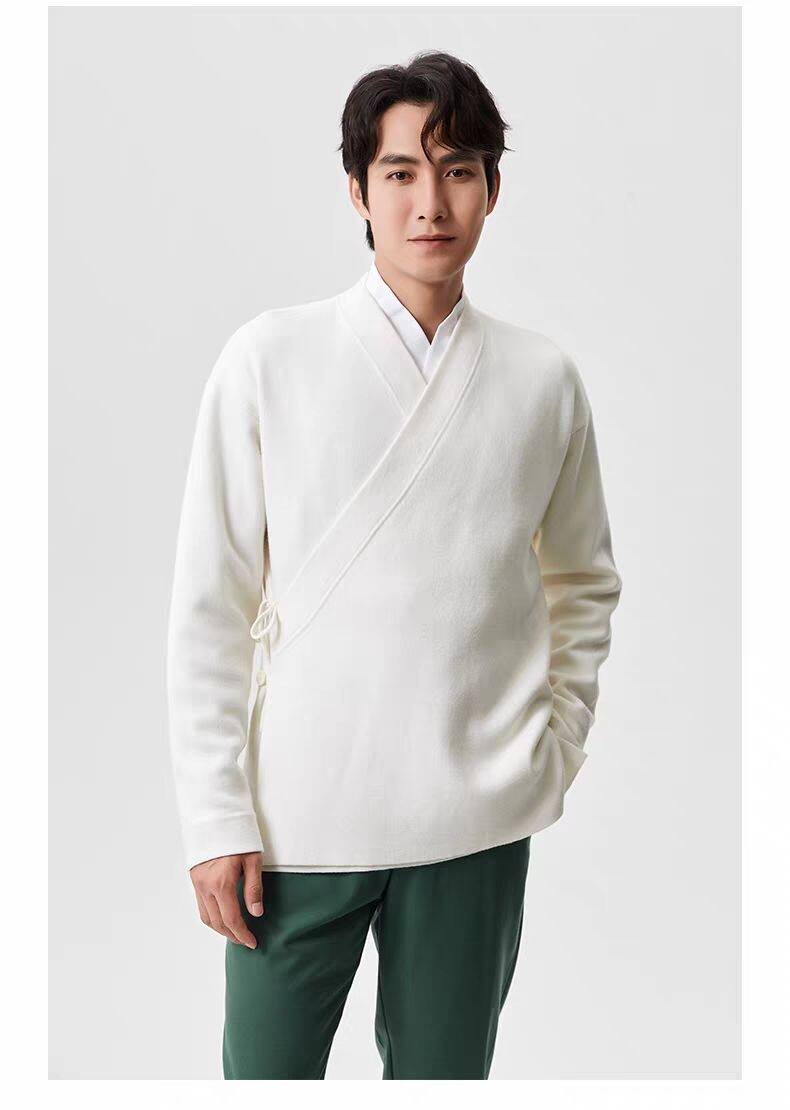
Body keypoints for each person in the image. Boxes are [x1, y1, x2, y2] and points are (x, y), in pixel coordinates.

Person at [166, 50, 623, 1080]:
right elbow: (209, 605)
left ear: (492, 188)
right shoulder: (268, 359)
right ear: (357, 190)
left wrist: (552, 747)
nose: (430, 202)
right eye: (401, 172)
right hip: (293, 824)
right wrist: (214, 817)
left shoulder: (541, 379)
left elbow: (583, 580)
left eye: (458, 170)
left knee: (445, 1084)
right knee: (263, 1080)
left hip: (476, 819)